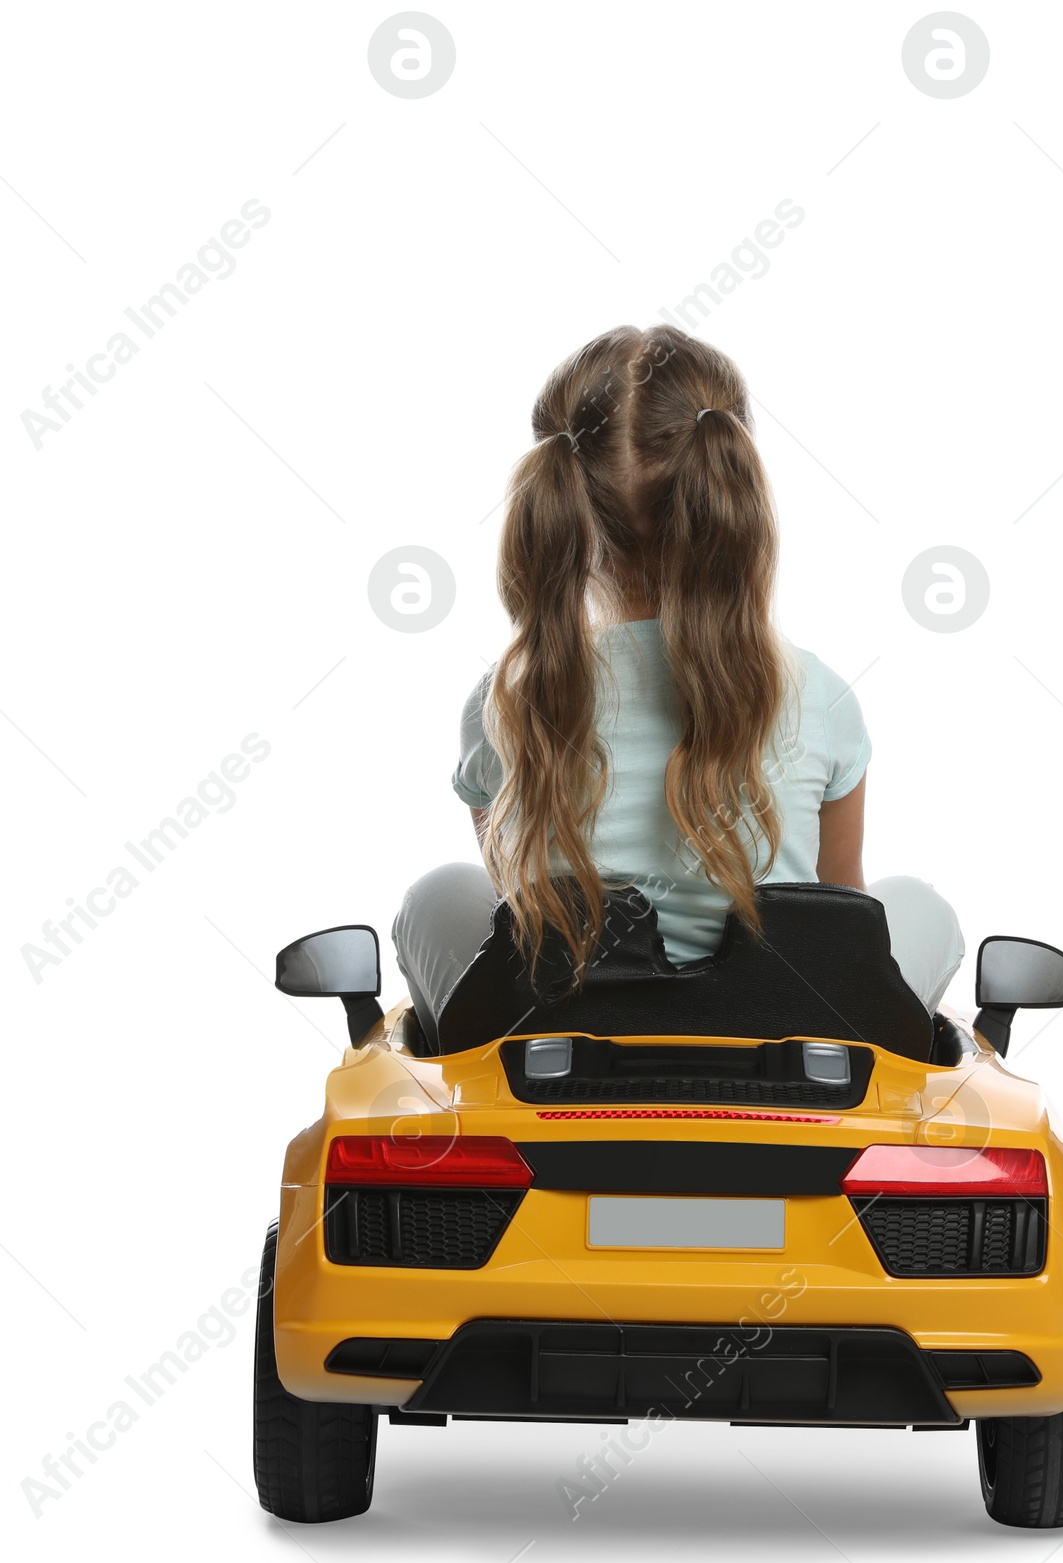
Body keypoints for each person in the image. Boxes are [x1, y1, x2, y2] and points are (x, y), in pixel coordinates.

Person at [393, 325, 964, 1047]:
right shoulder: (820, 696)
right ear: (734, 496)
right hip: (784, 1046)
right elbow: (837, 919)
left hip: (557, 1044)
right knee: (919, 907)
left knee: (440, 894)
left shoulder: (504, 703)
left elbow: (518, 910)